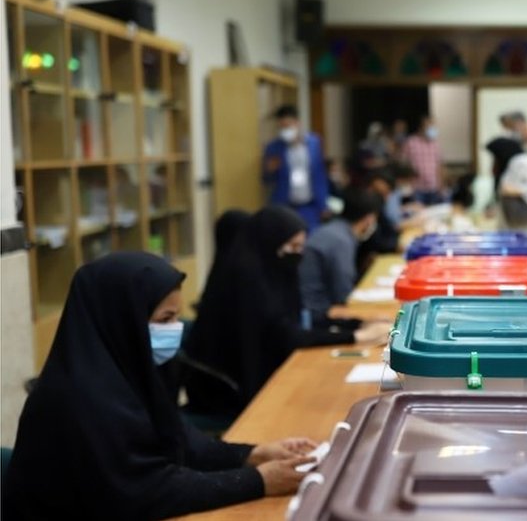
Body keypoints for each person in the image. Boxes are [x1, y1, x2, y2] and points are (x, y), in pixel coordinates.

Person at [2, 252, 317, 519]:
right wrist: (258, 481)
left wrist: (255, 455)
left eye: (177, 317)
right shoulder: (78, 399)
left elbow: (182, 441)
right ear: (123, 321)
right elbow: (145, 491)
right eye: (164, 320)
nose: (175, 330)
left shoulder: (127, 370)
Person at [183, 205, 388, 418]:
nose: (298, 255)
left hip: (264, 376)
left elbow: (300, 319)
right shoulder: (247, 282)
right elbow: (285, 335)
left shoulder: (273, 273)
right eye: (292, 247)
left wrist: (358, 324)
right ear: (272, 243)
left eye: (301, 247)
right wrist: (355, 337)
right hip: (233, 394)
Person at [299, 189, 382, 319]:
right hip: (318, 312)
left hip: (311, 306)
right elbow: (343, 294)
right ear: (369, 218)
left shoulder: (334, 230)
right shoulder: (341, 241)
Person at [263, 104, 330, 232]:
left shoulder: (314, 143)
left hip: (310, 205)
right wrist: (270, 170)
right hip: (285, 204)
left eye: (287, 126)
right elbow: (266, 180)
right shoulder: (273, 147)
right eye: (281, 127)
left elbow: (320, 175)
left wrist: (323, 204)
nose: (285, 130)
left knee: (310, 237)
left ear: (297, 123)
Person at [486, 136, 527, 239]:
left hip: (525, 222)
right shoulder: (511, 163)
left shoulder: (523, 161)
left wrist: (516, 191)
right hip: (512, 222)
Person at [400, 115, 444, 205]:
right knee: (419, 215)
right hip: (417, 188)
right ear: (421, 128)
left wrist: (441, 185)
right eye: (429, 127)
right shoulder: (410, 142)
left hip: (434, 187)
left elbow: (439, 165)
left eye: (434, 126)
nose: (433, 129)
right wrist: (409, 177)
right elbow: (402, 164)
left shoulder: (435, 144)